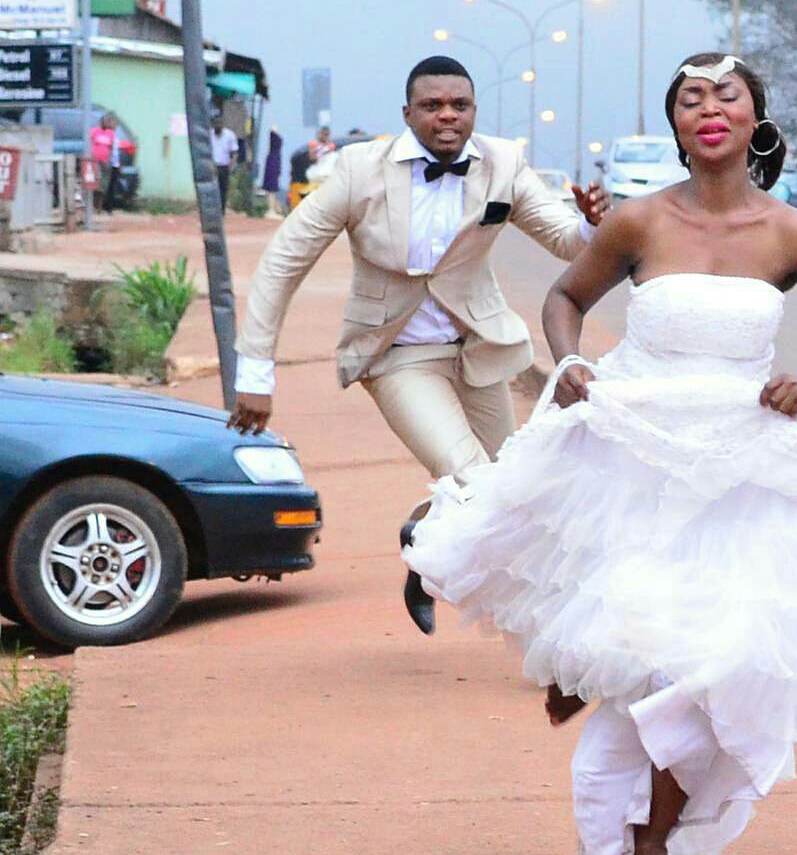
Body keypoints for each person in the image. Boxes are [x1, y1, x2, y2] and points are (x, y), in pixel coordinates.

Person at [404, 52, 797, 855]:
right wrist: (572, 363)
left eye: (726, 95)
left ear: (755, 118)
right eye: (691, 98)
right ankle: (605, 735)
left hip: (743, 469)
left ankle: (655, 832)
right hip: (632, 453)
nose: (710, 109)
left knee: (716, 657)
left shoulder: (793, 233)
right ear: (675, 124)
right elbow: (565, 298)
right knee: (647, 642)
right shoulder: (639, 221)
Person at [228, 55, 609, 634]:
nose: (447, 116)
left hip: (478, 350)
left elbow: (563, 240)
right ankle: (466, 578)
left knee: (517, 490)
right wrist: (255, 371)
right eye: (433, 106)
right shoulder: (360, 171)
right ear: (408, 114)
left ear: (474, 110)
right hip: (397, 356)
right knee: (475, 482)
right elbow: (285, 259)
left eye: (460, 105)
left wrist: (588, 224)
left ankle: (424, 535)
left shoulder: (503, 163)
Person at [211, 114, 239, 210]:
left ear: (223, 124)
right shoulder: (209, 135)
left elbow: (234, 152)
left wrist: (231, 166)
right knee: (212, 190)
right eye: (216, 124)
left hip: (224, 167)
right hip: (212, 166)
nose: (218, 125)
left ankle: (221, 211)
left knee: (223, 190)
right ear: (213, 124)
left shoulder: (230, 135)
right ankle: (212, 209)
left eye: (220, 123)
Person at [261, 125, 284, 216]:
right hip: (273, 164)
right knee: (271, 189)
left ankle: (274, 208)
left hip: (274, 164)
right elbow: (272, 134)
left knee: (272, 190)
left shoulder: (276, 153)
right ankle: (271, 209)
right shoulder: (273, 139)